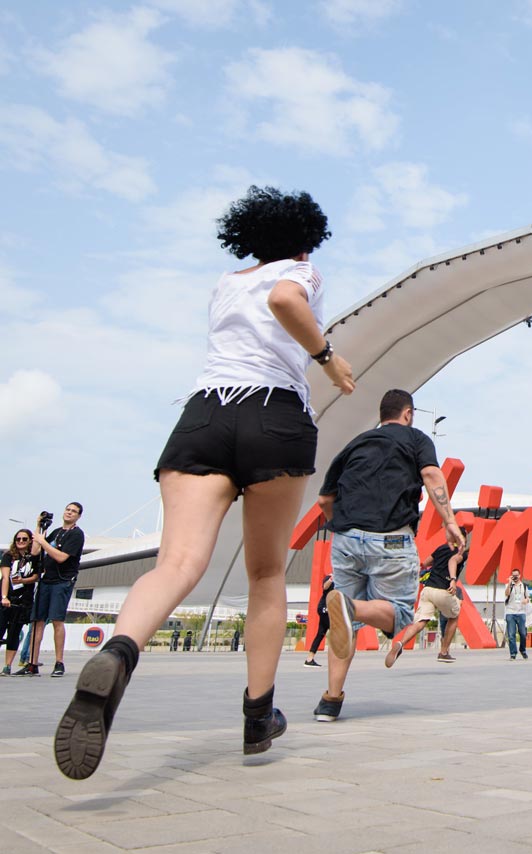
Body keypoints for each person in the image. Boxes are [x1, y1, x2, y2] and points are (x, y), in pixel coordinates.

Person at [54, 186, 356, 780]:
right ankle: (257, 717)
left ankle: (118, 653)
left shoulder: (225, 282)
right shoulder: (301, 270)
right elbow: (285, 298)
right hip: (274, 414)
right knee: (267, 574)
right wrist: (327, 358)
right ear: (303, 238)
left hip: (205, 416)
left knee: (176, 564)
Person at [314, 389, 464, 722]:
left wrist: (348, 531)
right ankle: (350, 607)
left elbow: (325, 501)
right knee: (399, 614)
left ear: (381, 414)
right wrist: (449, 522)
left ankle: (331, 700)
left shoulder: (356, 444)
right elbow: (431, 475)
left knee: (344, 626)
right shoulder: (416, 439)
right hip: (392, 539)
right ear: (408, 413)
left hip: (346, 538)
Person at [28, 503, 86, 678]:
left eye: (73, 511)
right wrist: (39, 527)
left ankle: (59, 661)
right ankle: (32, 662)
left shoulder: (76, 534)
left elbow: (61, 557)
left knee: (56, 620)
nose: (69, 513)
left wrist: (43, 542)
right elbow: (35, 551)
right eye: (67, 510)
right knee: (38, 620)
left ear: (78, 516)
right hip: (47, 580)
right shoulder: (55, 532)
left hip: (62, 580)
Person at [386, 543, 466, 667]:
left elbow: (426, 562)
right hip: (443, 590)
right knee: (454, 615)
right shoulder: (460, 553)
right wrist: (453, 579)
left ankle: (401, 643)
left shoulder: (441, 548)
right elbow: (452, 560)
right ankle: (444, 652)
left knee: (420, 622)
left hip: (427, 589)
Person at [1, 529, 39, 676]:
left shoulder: (34, 557)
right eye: (18, 539)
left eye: (24, 539)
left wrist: (23, 580)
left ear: (30, 540)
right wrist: (4, 596)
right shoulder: (9, 556)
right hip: (8, 598)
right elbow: (5, 578)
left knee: (14, 633)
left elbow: (36, 576)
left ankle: (7, 665)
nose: (21, 542)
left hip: (24, 600)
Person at [303, 576, 335, 667]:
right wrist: (332, 578)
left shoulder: (342, 580)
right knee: (336, 633)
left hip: (331, 610)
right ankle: (335, 660)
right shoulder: (330, 577)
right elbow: (325, 587)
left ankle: (309, 659)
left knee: (320, 633)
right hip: (325, 609)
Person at [504, 569, 530, 660]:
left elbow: (528, 598)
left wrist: (526, 601)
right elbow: (506, 594)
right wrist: (509, 583)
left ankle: (522, 650)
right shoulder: (509, 585)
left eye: (516, 575)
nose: (515, 577)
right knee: (511, 634)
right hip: (510, 612)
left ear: (520, 575)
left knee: (523, 633)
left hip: (521, 612)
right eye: (513, 576)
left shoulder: (524, 586)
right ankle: (513, 653)